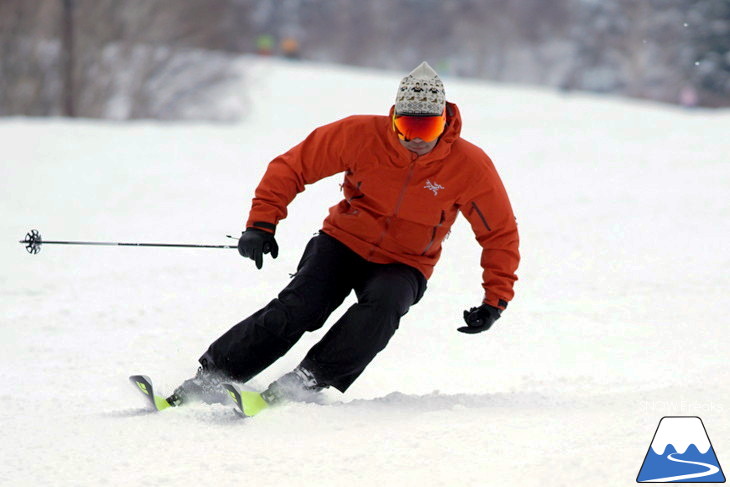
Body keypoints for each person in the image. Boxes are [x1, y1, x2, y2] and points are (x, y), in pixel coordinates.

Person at [166, 61, 520, 407]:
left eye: (426, 130)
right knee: (300, 307)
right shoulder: (360, 134)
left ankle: (309, 379)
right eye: (406, 127)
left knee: (384, 306)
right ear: (393, 118)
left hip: (405, 262)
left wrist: (495, 301)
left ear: (444, 124)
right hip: (342, 242)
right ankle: (213, 377)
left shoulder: (470, 166)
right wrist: (261, 224)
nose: (415, 139)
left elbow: (499, 234)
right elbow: (292, 167)